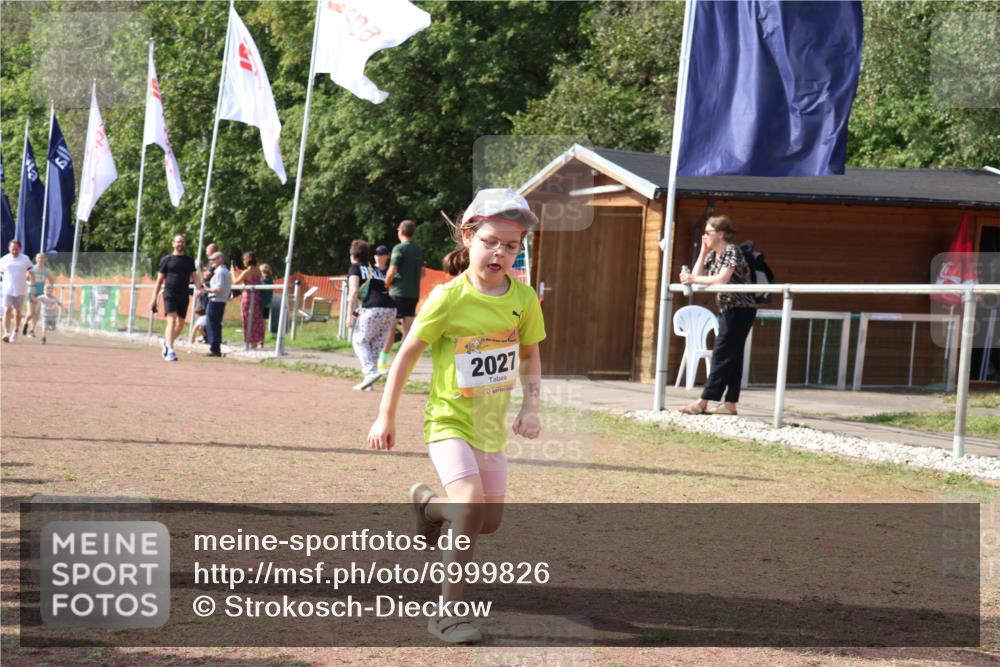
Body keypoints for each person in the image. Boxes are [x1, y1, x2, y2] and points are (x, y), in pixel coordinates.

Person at [367, 188, 545, 644]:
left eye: (512, 245)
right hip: (448, 420)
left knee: (488, 521)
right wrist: (386, 416)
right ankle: (447, 613)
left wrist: (531, 405)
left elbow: (530, 355)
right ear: (468, 237)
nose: (500, 252)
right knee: (470, 507)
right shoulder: (448, 297)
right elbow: (407, 354)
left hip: (489, 428)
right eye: (491, 241)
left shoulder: (523, 299)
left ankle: (428, 506)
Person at [679, 215, 758, 415]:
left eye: (708, 233)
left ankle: (703, 401)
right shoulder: (713, 254)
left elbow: (722, 279)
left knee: (722, 353)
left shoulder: (732, 250)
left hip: (740, 310)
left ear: (721, 234)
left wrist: (692, 277)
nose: (705, 236)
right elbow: (697, 279)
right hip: (727, 309)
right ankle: (730, 403)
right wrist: (703, 252)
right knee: (734, 356)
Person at [347, 241, 397, 390]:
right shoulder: (371, 269)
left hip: (374, 308)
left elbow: (354, 291)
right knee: (374, 345)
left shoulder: (355, 268)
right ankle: (370, 382)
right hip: (390, 309)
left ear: (353, 255)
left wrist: (349, 315)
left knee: (358, 341)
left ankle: (370, 372)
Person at [381, 219, 424, 372]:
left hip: (398, 293)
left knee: (390, 329)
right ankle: (402, 363)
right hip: (413, 294)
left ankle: (382, 361)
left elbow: (392, 270)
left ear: (400, 231)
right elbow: (423, 273)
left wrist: (386, 283)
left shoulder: (399, 248)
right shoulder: (418, 249)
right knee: (408, 330)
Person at [150, 234, 200, 362]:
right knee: (171, 321)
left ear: (185, 244)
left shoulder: (189, 260)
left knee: (181, 324)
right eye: (178, 242)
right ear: (173, 243)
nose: (180, 244)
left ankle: (167, 342)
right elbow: (159, 280)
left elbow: (195, 277)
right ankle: (170, 351)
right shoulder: (167, 259)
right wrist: (154, 298)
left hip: (183, 294)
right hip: (169, 293)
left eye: (182, 242)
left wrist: (199, 288)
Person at [0, 240, 34, 343]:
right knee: (6, 310)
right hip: (7, 289)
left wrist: (31, 281)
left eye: (16, 249)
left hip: (20, 289)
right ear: (9, 248)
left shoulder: (25, 259)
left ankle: (15, 331)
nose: (14, 251)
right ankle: (6, 332)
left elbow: (31, 271)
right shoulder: (4, 259)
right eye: (12, 249)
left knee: (17, 312)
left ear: (20, 248)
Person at [233, 251, 264, 349]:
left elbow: (236, 282)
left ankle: (250, 342)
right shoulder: (258, 271)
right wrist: (240, 272)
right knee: (257, 319)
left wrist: (232, 272)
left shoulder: (247, 271)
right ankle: (257, 340)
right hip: (257, 297)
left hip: (248, 297)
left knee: (247, 318)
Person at [203, 251, 232, 357]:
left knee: (212, 324)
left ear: (221, 259)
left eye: (214, 259)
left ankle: (214, 348)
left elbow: (218, 288)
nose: (211, 261)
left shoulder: (220, 272)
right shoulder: (226, 271)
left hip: (215, 300)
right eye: (211, 259)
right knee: (216, 324)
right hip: (221, 300)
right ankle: (216, 347)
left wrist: (207, 289)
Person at [24, 252, 54, 337]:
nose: (40, 260)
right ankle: (26, 323)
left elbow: (52, 280)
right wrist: (29, 283)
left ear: (45, 259)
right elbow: (25, 279)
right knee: (30, 313)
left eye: (42, 258)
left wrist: (50, 287)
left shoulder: (46, 270)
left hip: (41, 293)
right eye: (39, 258)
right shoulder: (32, 269)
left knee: (37, 313)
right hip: (32, 292)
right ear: (36, 259)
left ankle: (32, 330)